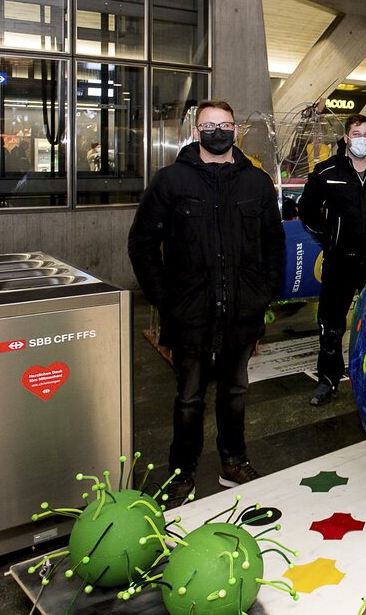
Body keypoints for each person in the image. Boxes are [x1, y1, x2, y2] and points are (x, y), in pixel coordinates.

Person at [128, 100, 285, 504]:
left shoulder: (257, 183)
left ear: (236, 130)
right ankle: (181, 475)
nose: (218, 130)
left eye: (226, 124)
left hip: (240, 311)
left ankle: (234, 462)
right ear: (197, 132)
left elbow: (273, 243)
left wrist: (262, 293)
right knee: (189, 397)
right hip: (190, 312)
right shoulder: (171, 181)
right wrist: (165, 300)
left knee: (235, 391)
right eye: (209, 125)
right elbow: (142, 244)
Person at [298, 114, 366, 406]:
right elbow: (307, 210)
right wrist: (330, 236)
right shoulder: (326, 171)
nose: (362, 139)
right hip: (339, 260)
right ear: (346, 138)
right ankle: (327, 381)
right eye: (356, 133)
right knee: (331, 324)